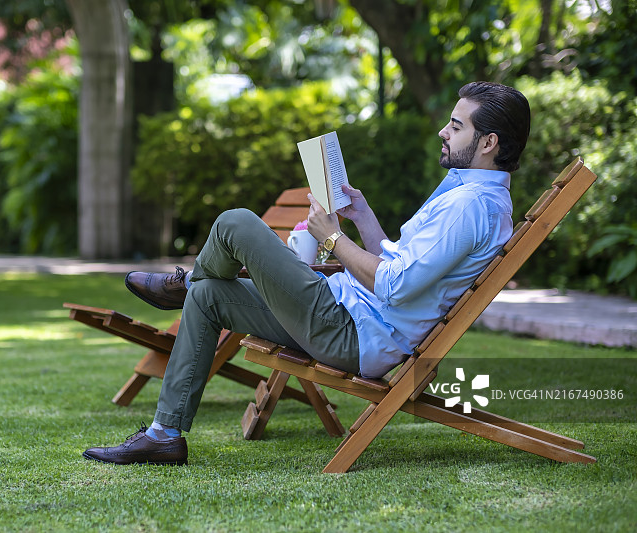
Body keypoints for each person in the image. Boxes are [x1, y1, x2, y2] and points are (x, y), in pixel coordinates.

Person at [83, 81, 531, 466]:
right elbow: (401, 265)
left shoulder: (471, 206)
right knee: (210, 297)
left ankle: (184, 284)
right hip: (341, 311)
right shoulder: (472, 197)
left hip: (350, 330)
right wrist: (363, 216)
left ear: (488, 142)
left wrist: (334, 239)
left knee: (236, 222)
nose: (443, 132)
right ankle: (164, 436)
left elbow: (394, 287)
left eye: (457, 126)